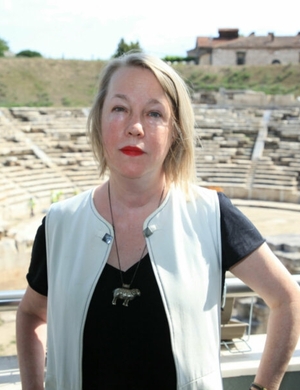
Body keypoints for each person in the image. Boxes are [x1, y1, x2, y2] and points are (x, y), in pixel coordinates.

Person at [16, 52, 300, 390]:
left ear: (175, 131)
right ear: (99, 120)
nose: (135, 127)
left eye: (154, 114)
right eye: (120, 108)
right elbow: (31, 313)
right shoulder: (59, 224)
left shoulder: (212, 214)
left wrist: (262, 388)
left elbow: (287, 299)